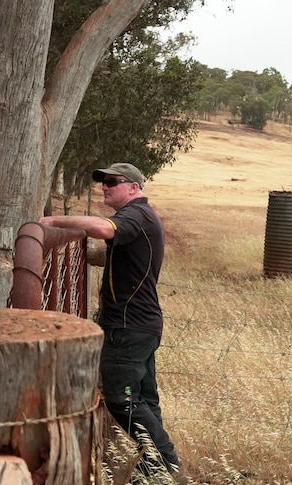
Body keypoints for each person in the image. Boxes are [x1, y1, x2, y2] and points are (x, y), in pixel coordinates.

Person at [39, 163, 186, 483]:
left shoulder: (135, 215)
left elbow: (105, 229)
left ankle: (165, 461)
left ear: (133, 187)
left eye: (113, 182)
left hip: (128, 326)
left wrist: (52, 221)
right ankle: (156, 465)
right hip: (139, 323)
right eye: (103, 182)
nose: (105, 187)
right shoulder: (140, 217)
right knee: (143, 398)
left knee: (122, 397)